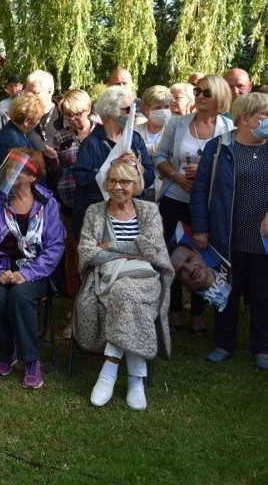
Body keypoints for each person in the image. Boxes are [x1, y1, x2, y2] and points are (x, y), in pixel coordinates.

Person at [74, 160, 173, 410]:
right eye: (113, 181)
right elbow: (87, 254)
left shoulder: (149, 211)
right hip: (106, 280)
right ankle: (136, 378)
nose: (118, 187)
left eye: (125, 181)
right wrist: (133, 251)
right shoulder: (95, 212)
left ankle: (109, 371)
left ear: (136, 184)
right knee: (124, 293)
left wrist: (110, 246)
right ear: (106, 183)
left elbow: (154, 251)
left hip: (146, 281)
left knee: (125, 292)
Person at [0, 148, 65, 389]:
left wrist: (27, 274)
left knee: (20, 296)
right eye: (9, 168)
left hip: (35, 269)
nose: (11, 173)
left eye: (19, 170)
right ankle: (7, 351)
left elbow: (55, 247)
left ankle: (31, 360)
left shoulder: (48, 204)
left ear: (33, 177)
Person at [190, 92, 268, 368]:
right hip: (227, 234)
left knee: (262, 294)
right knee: (227, 292)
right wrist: (200, 227)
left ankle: (262, 347)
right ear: (245, 118)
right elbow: (200, 189)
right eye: (264, 116)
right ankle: (224, 343)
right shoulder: (219, 147)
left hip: (263, 239)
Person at [154, 74, 234, 334]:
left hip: (209, 204)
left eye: (206, 93)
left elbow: (231, 167)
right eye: (197, 91)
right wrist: (177, 175)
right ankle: (174, 308)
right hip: (174, 199)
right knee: (172, 253)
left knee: (204, 254)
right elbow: (158, 157)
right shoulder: (177, 123)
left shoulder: (228, 130)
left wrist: (204, 171)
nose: (199, 96)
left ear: (220, 96)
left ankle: (199, 311)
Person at [71, 85, 154, 240]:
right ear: (111, 113)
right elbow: (82, 179)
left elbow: (150, 177)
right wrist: (112, 170)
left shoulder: (135, 140)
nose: (133, 113)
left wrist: (138, 167)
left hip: (131, 221)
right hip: (100, 222)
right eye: (127, 109)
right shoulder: (92, 143)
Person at [52, 89, 96, 337]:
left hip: (95, 206)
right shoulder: (61, 136)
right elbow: (59, 170)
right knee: (72, 259)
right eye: (66, 115)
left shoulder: (99, 133)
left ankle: (91, 309)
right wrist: (54, 161)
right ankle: (73, 308)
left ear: (87, 109)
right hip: (68, 204)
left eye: (75, 115)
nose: (71, 120)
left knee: (90, 258)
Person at [0, 92, 46, 201]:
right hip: (7, 204)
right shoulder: (14, 141)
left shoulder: (11, 132)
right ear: (27, 121)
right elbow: (16, 182)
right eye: (38, 118)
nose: (38, 122)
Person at [135, 85, 174, 199]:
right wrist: (155, 149)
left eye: (166, 106)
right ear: (146, 109)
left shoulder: (175, 131)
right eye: (158, 107)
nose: (163, 111)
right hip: (140, 190)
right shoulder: (135, 131)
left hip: (165, 191)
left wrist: (145, 150)